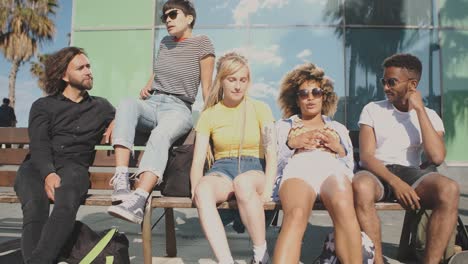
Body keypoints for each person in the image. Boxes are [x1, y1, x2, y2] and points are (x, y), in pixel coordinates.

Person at [106, 0, 215, 224]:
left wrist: (211, 121)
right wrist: (147, 86)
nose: (167, 20)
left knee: (161, 134)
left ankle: (138, 199)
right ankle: (121, 180)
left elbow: (207, 87)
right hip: (153, 102)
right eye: (164, 16)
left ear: (189, 18)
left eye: (173, 14)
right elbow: (158, 73)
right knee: (127, 103)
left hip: (178, 108)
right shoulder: (165, 42)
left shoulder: (202, 43)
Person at [352, 53, 459, 264]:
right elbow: (366, 157)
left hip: (411, 173)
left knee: (450, 189)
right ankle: (378, 261)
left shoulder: (429, 115)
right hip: (377, 172)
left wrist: (419, 110)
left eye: (392, 82)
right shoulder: (373, 110)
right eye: (384, 81)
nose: (385, 87)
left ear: (412, 84)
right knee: (361, 186)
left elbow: (436, 156)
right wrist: (395, 182)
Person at [14, 47, 115, 264]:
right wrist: (49, 174)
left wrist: (118, 121)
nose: (88, 71)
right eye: (81, 68)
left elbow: (129, 120)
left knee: (66, 202)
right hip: (37, 167)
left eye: (88, 66)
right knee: (35, 206)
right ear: (64, 76)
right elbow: (39, 144)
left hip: (74, 167)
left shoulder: (102, 107)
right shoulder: (43, 106)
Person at [191, 52, 276, 264]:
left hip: (254, 168)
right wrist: (196, 188)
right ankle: (225, 260)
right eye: (232, 79)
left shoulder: (260, 108)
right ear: (221, 80)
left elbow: (272, 154)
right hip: (221, 170)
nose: (238, 86)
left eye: (243, 80)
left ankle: (260, 254)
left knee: (243, 183)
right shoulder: (209, 114)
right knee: (203, 190)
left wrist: (267, 190)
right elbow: (198, 159)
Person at [273, 63, 362, 264]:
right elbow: (273, 162)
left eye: (316, 92)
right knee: (295, 214)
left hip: (331, 168)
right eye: (303, 93)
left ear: (324, 96)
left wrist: (338, 148)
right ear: (296, 99)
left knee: (344, 207)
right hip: (299, 168)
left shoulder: (337, 127)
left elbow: (349, 165)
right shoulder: (283, 126)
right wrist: (292, 144)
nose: (310, 97)